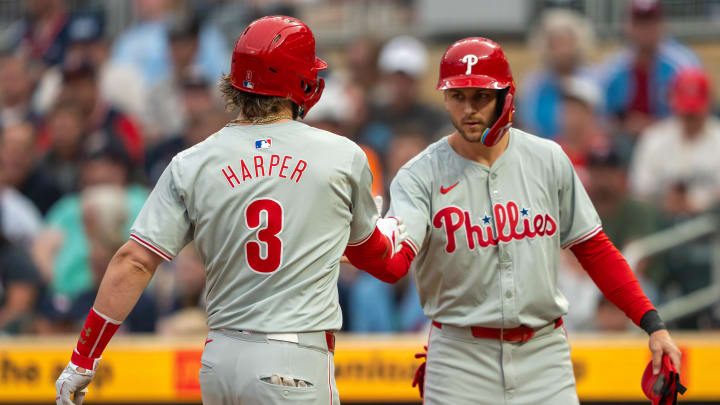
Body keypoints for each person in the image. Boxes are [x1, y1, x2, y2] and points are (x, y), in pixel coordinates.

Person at [54, 16, 409, 405]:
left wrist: (83, 357)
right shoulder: (341, 154)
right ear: (300, 81)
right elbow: (380, 262)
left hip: (219, 359)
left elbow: (134, 261)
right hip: (292, 360)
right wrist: (394, 229)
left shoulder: (193, 161)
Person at [386, 37, 682, 404]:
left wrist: (652, 324)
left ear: (505, 96)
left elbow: (594, 249)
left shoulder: (548, 159)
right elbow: (395, 259)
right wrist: (363, 245)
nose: (468, 108)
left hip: (544, 355)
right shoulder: (419, 175)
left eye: (481, 96)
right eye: (457, 96)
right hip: (460, 358)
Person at [600, 0, 701, 138]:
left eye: (651, 23)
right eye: (639, 24)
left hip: (673, 140)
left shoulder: (683, 65)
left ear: (663, 26)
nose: (645, 30)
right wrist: (623, 124)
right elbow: (601, 116)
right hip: (624, 143)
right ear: (627, 27)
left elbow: (696, 114)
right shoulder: (612, 68)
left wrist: (652, 127)